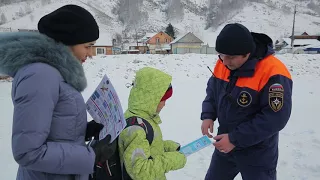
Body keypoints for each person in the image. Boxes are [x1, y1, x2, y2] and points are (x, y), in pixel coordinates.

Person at [0, 4, 116, 180]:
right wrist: (91, 156)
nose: (91, 53)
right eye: (87, 46)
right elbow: (28, 152)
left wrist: (83, 131)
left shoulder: (54, 73)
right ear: (68, 42)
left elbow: (52, 128)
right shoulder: (40, 76)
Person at [201, 23, 293, 180]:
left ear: (247, 54)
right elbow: (213, 92)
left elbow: (275, 118)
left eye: (230, 57)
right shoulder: (224, 62)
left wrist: (235, 138)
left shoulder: (274, 72)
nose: (224, 62)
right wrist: (208, 115)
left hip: (257, 150)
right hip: (224, 143)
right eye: (221, 55)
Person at [118, 67, 187, 180]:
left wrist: (165, 146)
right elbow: (140, 171)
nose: (164, 104)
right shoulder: (136, 129)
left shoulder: (140, 117)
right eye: (163, 99)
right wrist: (172, 160)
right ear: (151, 98)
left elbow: (145, 145)